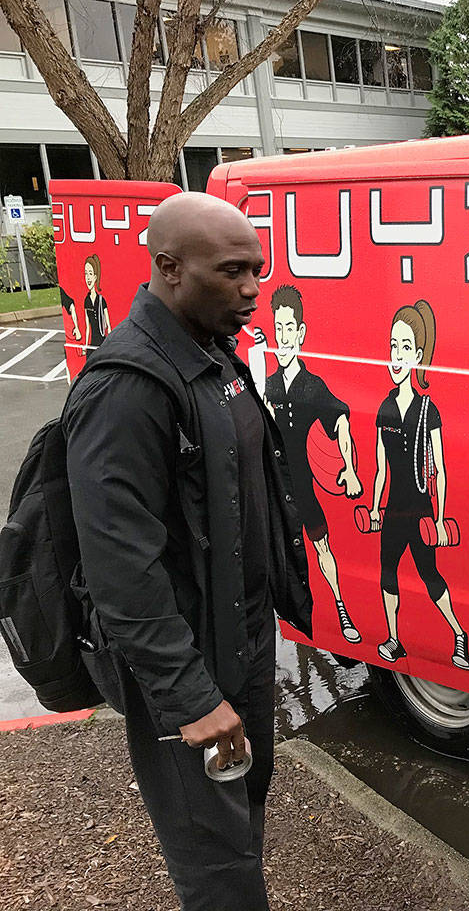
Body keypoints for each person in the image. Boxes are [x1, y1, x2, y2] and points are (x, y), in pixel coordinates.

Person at [63, 192, 312, 910]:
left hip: (242, 645)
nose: (251, 290)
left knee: (242, 821)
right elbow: (119, 566)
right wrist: (189, 697)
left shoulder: (212, 354)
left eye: (257, 271)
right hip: (189, 667)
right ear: (168, 268)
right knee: (216, 867)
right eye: (232, 272)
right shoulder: (127, 388)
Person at [367, 299, 469, 671]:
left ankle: (460, 636)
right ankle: (394, 640)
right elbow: (380, 469)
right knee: (387, 571)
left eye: (405, 347)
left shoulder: (430, 409)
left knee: (430, 576)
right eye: (393, 345)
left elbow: (439, 469)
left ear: (418, 356)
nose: (396, 355)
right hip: (394, 509)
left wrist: (441, 520)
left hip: (421, 508)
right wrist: (377, 509)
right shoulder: (383, 407)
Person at [263, 284, 363, 643]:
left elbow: (340, 420)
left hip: (302, 486)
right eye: (279, 328)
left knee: (322, 548)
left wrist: (349, 468)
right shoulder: (268, 384)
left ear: (301, 333)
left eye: (290, 328)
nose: (284, 336)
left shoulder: (311, 385)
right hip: (273, 485)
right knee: (276, 551)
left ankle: (340, 608)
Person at [82, 253, 110, 348]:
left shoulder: (102, 300)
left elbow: (109, 326)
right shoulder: (86, 300)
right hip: (92, 343)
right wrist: (85, 346)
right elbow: (87, 328)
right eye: (86, 273)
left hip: (102, 342)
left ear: (95, 277)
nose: (88, 277)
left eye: (90, 273)